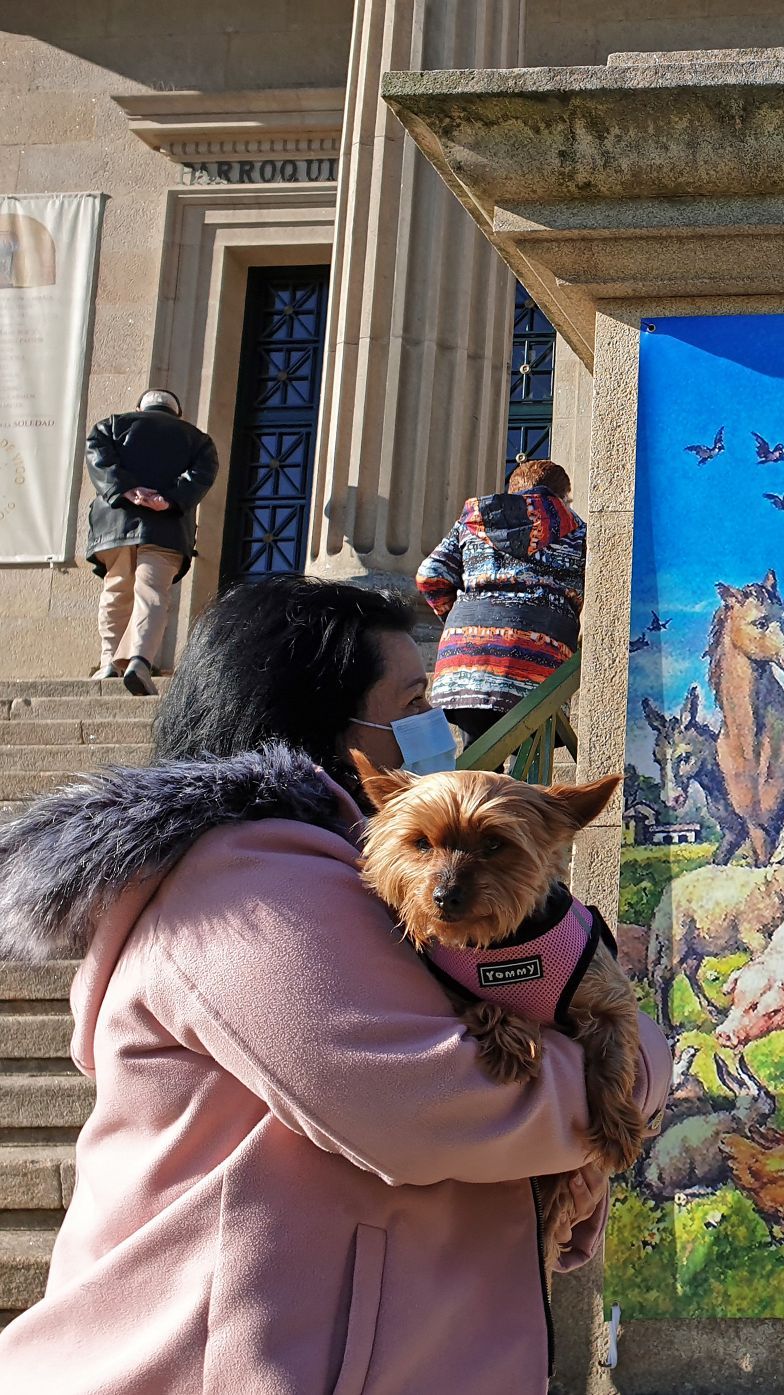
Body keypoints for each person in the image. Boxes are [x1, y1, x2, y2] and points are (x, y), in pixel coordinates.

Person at [0, 575, 670, 1394]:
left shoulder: (343, 869)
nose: (435, 728)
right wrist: (639, 1058)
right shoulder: (250, 881)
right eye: (413, 699)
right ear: (321, 723)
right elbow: (429, 1104)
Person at [417, 458, 586, 750]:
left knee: (478, 759)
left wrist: (460, 623)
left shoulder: (472, 522)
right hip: (538, 663)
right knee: (531, 764)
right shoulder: (578, 532)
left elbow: (430, 576)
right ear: (562, 497)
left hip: (467, 660)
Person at [82, 388, 219, 695]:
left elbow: (98, 457)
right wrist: (168, 499)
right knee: (151, 592)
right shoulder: (198, 440)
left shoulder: (110, 426)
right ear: (177, 413)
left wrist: (126, 490)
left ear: (140, 408)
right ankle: (139, 661)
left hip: (115, 524)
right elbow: (201, 474)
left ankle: (108, 662)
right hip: (166, 529)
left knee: (116, 589)